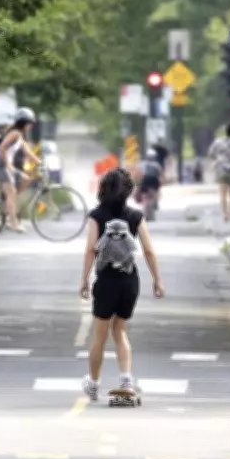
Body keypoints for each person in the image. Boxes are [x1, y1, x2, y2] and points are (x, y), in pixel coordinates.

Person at [79, 168, 165, 400]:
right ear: (129, 190)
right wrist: (157, 279)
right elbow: (148, 250)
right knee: (120, 329)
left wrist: (85, 279)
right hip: (129, 281)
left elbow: (90, 249)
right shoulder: (136, 217)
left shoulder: (96, 216)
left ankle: (94, 384)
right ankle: (126, 379)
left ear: (103, 189)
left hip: (106, 280)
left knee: (100, 334)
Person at [0, 108, 42, 233]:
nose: (31, 126)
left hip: (6, 166)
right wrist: (8, 164)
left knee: (26, 179)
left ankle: (7, 202)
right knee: (12, 192)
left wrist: (40, 162)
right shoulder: (14, 134)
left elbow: (27, 152)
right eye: (29, 124)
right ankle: (13, 222)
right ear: (24, 123)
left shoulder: (19, 136)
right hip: (0, 165)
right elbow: (2, 148)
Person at [137, 148, 164, 219]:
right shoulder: (157, 165)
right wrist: (161, 182)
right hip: (154, 182)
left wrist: (138, 184)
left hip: (145, 181)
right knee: (154, 194)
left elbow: (140, 174)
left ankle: (146, 214)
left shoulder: (143, 164)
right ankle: (155, 202)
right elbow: (161, 175)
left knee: (145, 198)